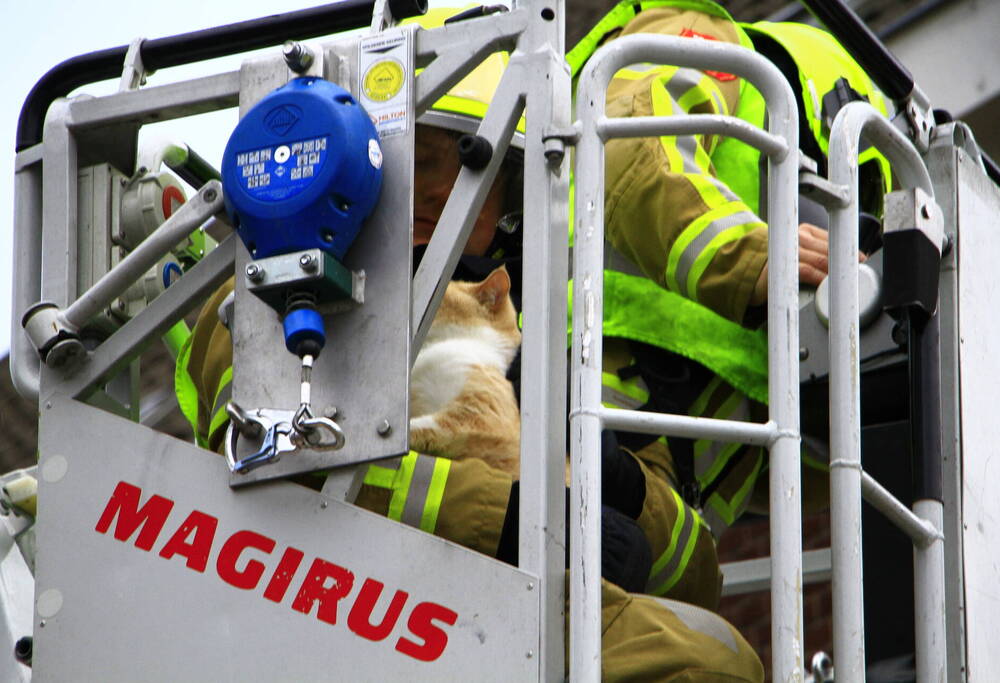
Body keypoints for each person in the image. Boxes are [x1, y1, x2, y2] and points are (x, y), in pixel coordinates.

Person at [177, 5, 766, 680]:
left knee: (715, 654)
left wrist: (620, 485)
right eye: (414, 161)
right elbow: (267, 462)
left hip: (491, 611)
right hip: (331, 591)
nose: (432, 194)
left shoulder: (539, 332)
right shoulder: (272, 285)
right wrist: (507, 517)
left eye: (469, 172)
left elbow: (694, 575)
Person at [564, 0, 893, 542]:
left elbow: (796, 480)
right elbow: (632, 147)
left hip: (662, 478)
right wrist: (753, 257)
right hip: (600, 396)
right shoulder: (701, 33)